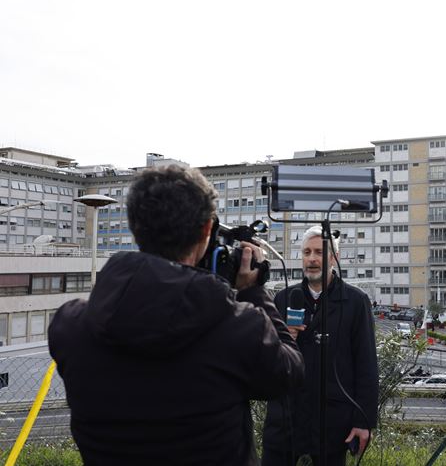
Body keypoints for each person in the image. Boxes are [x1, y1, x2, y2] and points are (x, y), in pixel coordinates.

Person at [48, 165, 304, 466]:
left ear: (134, 226)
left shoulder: (70, 327)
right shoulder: (239, 328)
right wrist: (254, 291)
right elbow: (290, 373)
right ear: (207, 230)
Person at [262, 225, 378, 466]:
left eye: (318, 252)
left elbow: (366, 364)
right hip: (285, 419)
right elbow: (268, 361)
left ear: (334, 258)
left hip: (333, 423)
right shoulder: (284, 299)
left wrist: (363, 421)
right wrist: (285, 341)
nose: (312, 259)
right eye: (306, 252)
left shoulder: (355, 302)